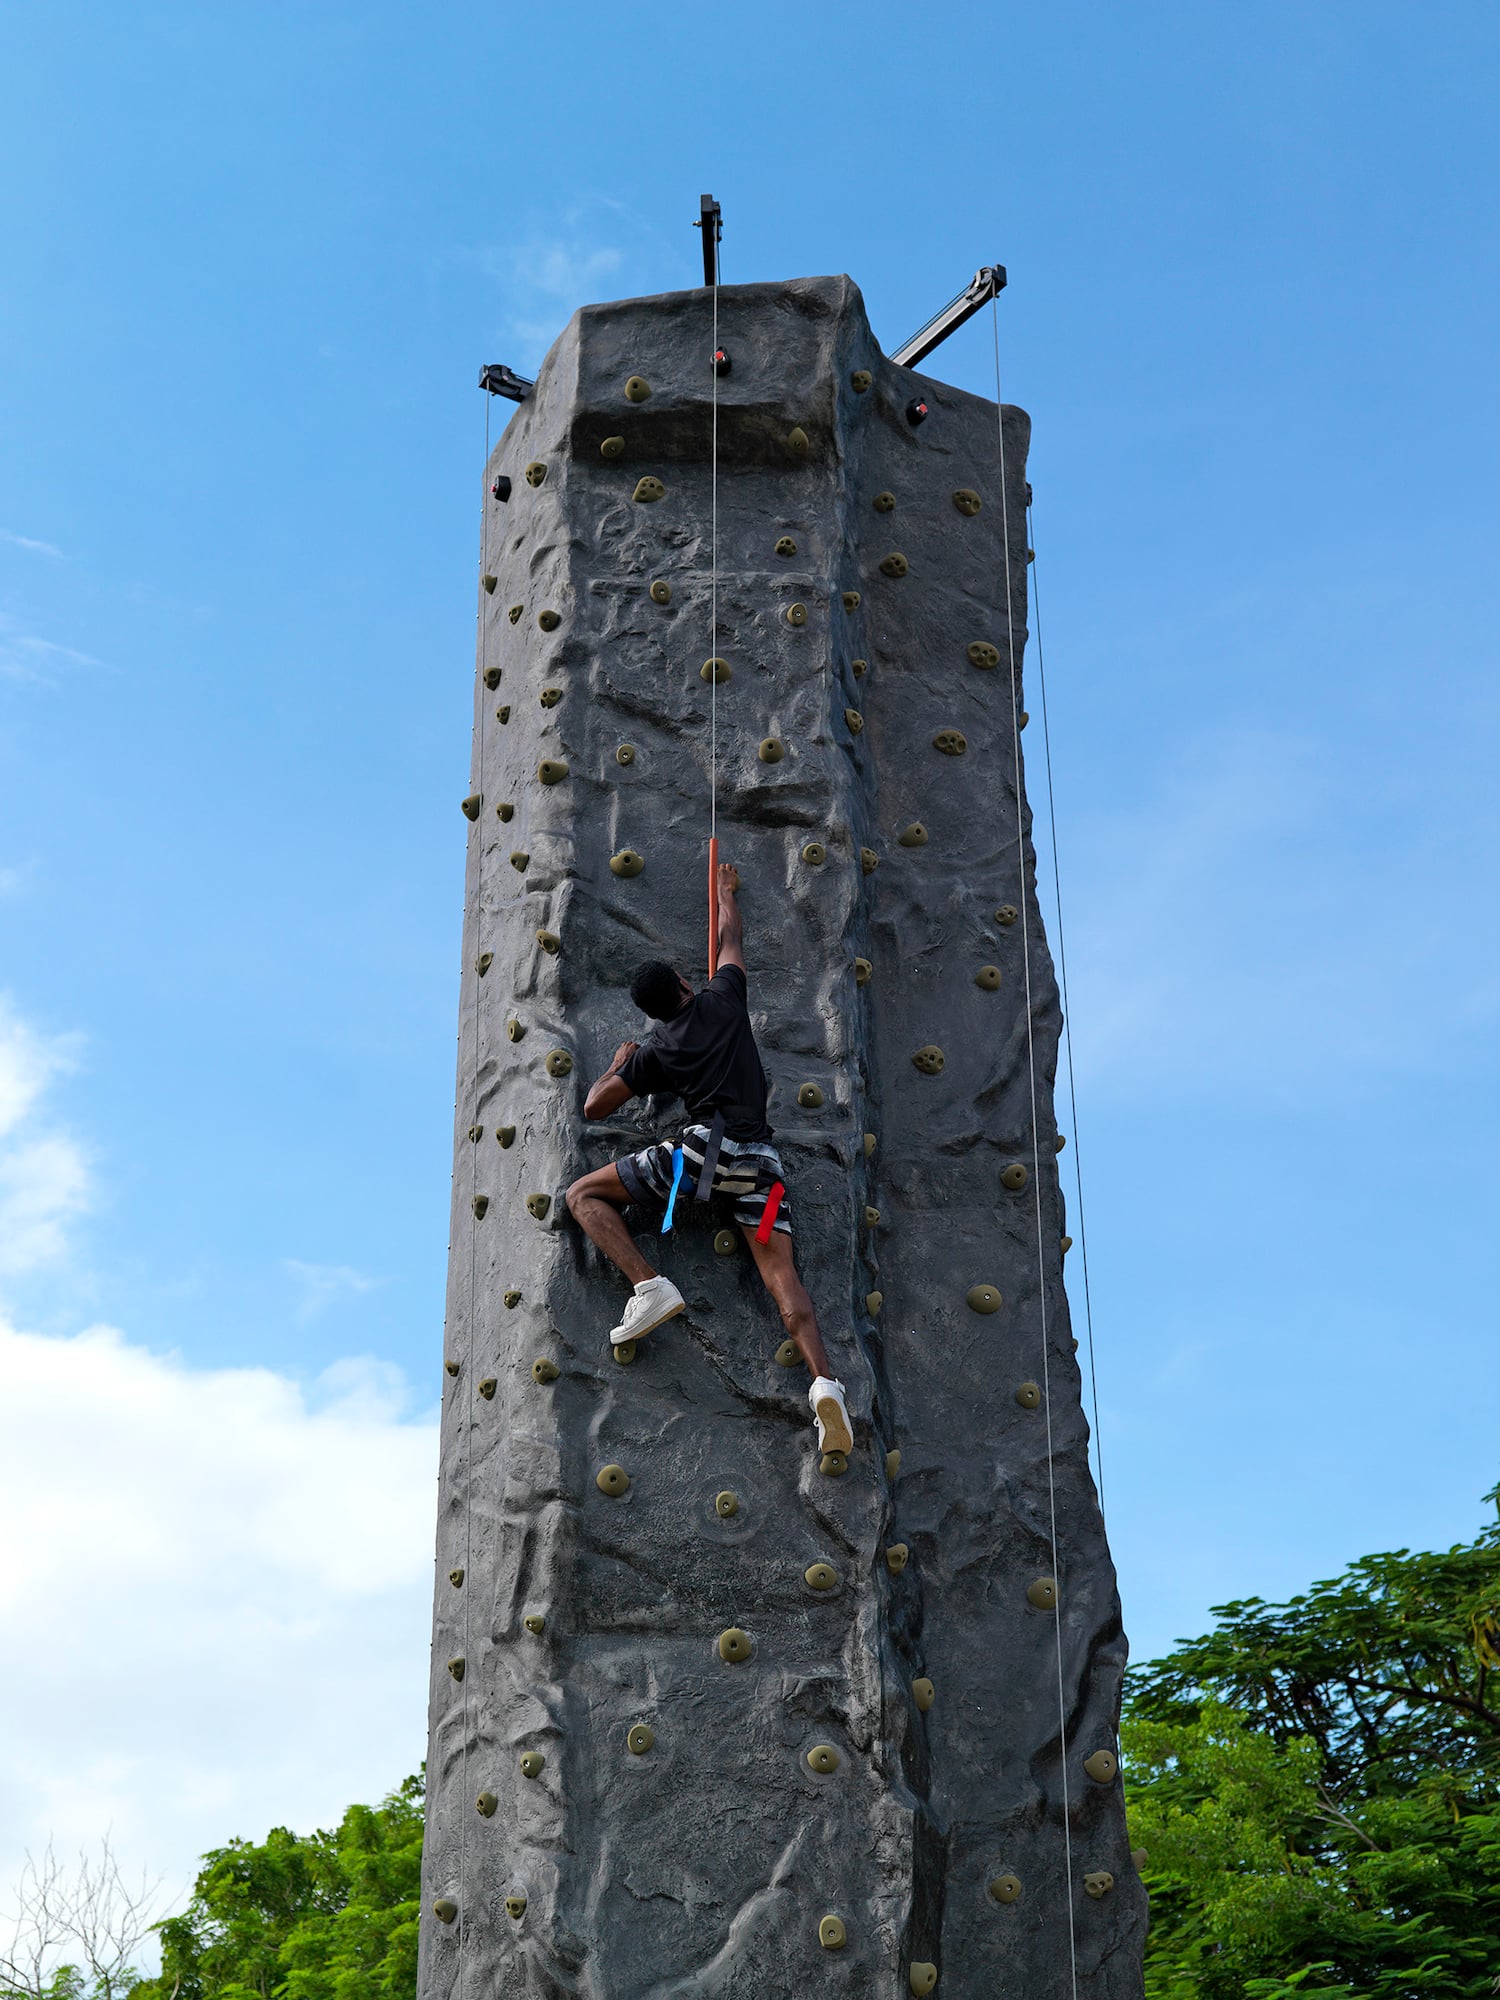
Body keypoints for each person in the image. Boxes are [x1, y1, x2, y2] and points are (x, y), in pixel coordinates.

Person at [565, 862, 854, 1459]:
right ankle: (825, 1383)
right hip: (761, 1163)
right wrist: (724, 894)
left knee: (582, 1196)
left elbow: (595, 1107)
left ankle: (649, 1286)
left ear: (652, 1012)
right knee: (783, 1278)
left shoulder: (656, 1049)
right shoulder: (725, 998)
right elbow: (730, 941)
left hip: (705, 1152)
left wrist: (622, 1063)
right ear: (684, 983)